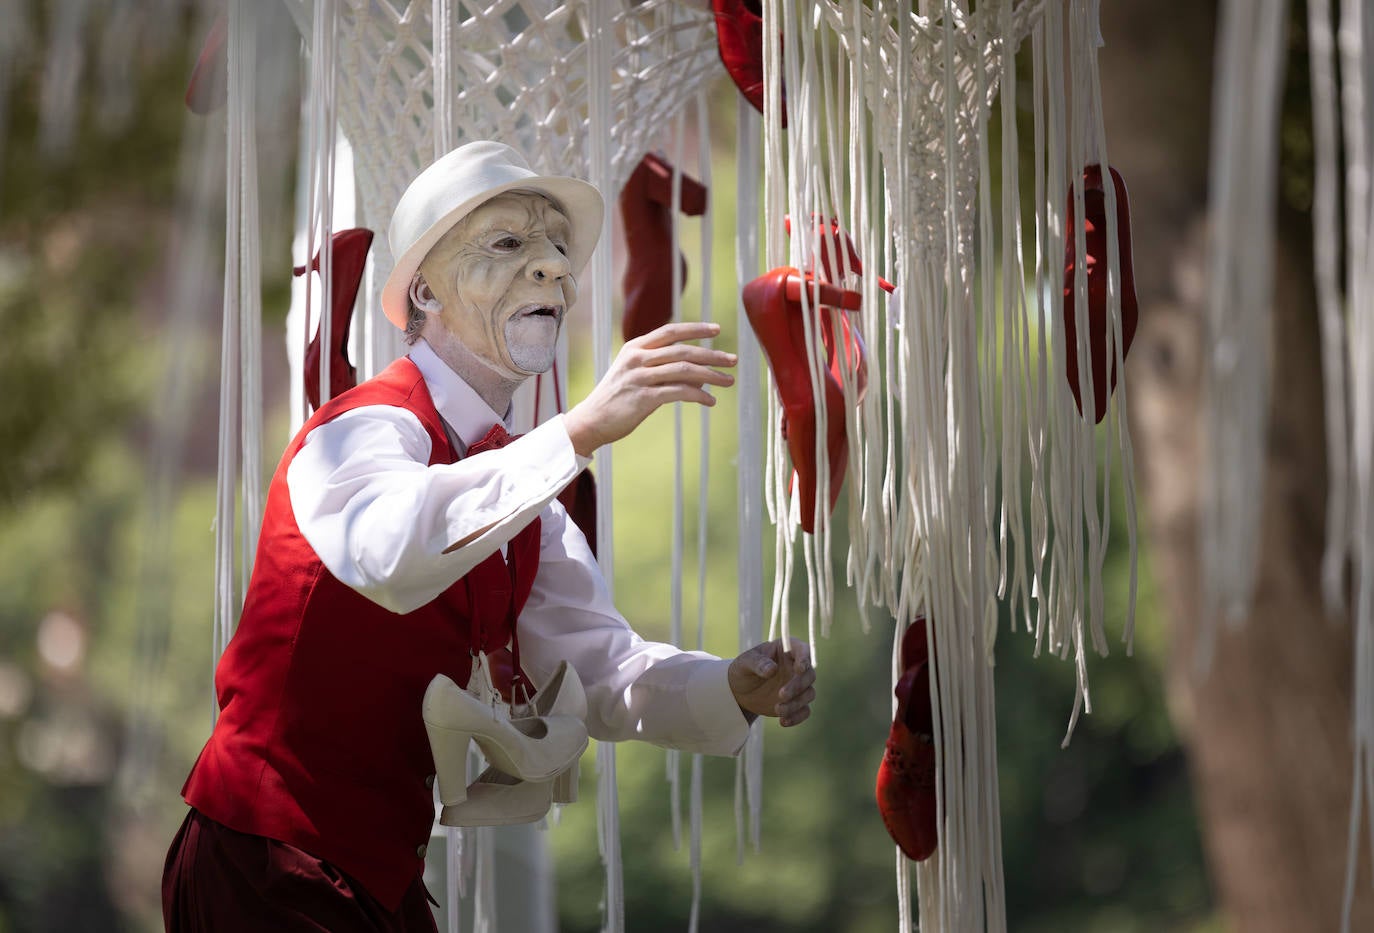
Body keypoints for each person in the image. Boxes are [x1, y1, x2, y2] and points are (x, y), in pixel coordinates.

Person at [162, 140, 817, 932]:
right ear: (425, 289)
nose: (550, 268)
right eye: (508, 243)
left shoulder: (519, 488)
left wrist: (730, 687)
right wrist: (573, 435)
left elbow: (598, 664)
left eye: (558, 247)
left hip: (374, 874)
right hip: (265, 858)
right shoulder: (367, 427)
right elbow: (390, 551)